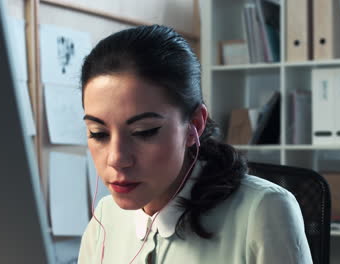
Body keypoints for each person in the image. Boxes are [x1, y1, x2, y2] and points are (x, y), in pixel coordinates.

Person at [78, 25, 312, 264]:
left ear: (194, 125)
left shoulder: (263, 210)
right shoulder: (106, 216)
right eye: (98, 133)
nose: (116, 158)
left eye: (143, 132)